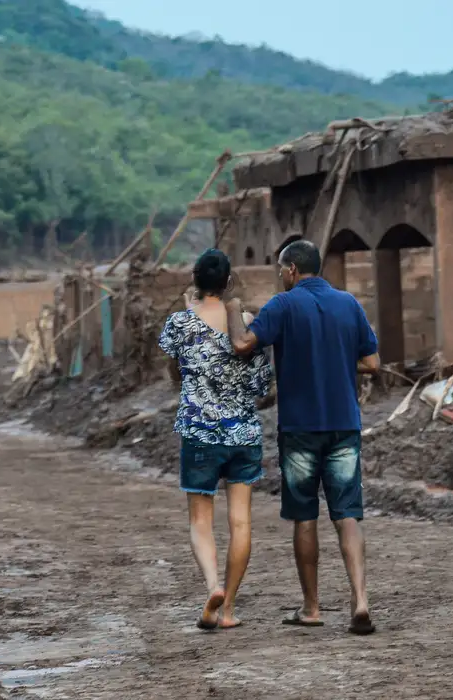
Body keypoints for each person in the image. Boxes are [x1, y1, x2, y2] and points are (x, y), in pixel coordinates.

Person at [226, 239, 380, 635]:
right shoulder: (349, 303)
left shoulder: (282, 305)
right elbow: (373, 362)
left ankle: (311, 607)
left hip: (300, 429)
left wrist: (232, 308)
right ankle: (360, 600)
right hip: (344, 424)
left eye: (281, 269)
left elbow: (243, 344)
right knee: (348, 513)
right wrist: (336, 362)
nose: (281, 276)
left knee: (305, 517)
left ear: (292, 269)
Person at [158, 249, 273, 630]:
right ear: (228, 283)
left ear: (194, 280)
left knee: (200, 520)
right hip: (243, 433)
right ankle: (228, 610)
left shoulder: (179, 323)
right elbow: (260, 384)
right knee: (241, 522)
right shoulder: (247, 323)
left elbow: (174, 370)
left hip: (199, 432)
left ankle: (212, 585)